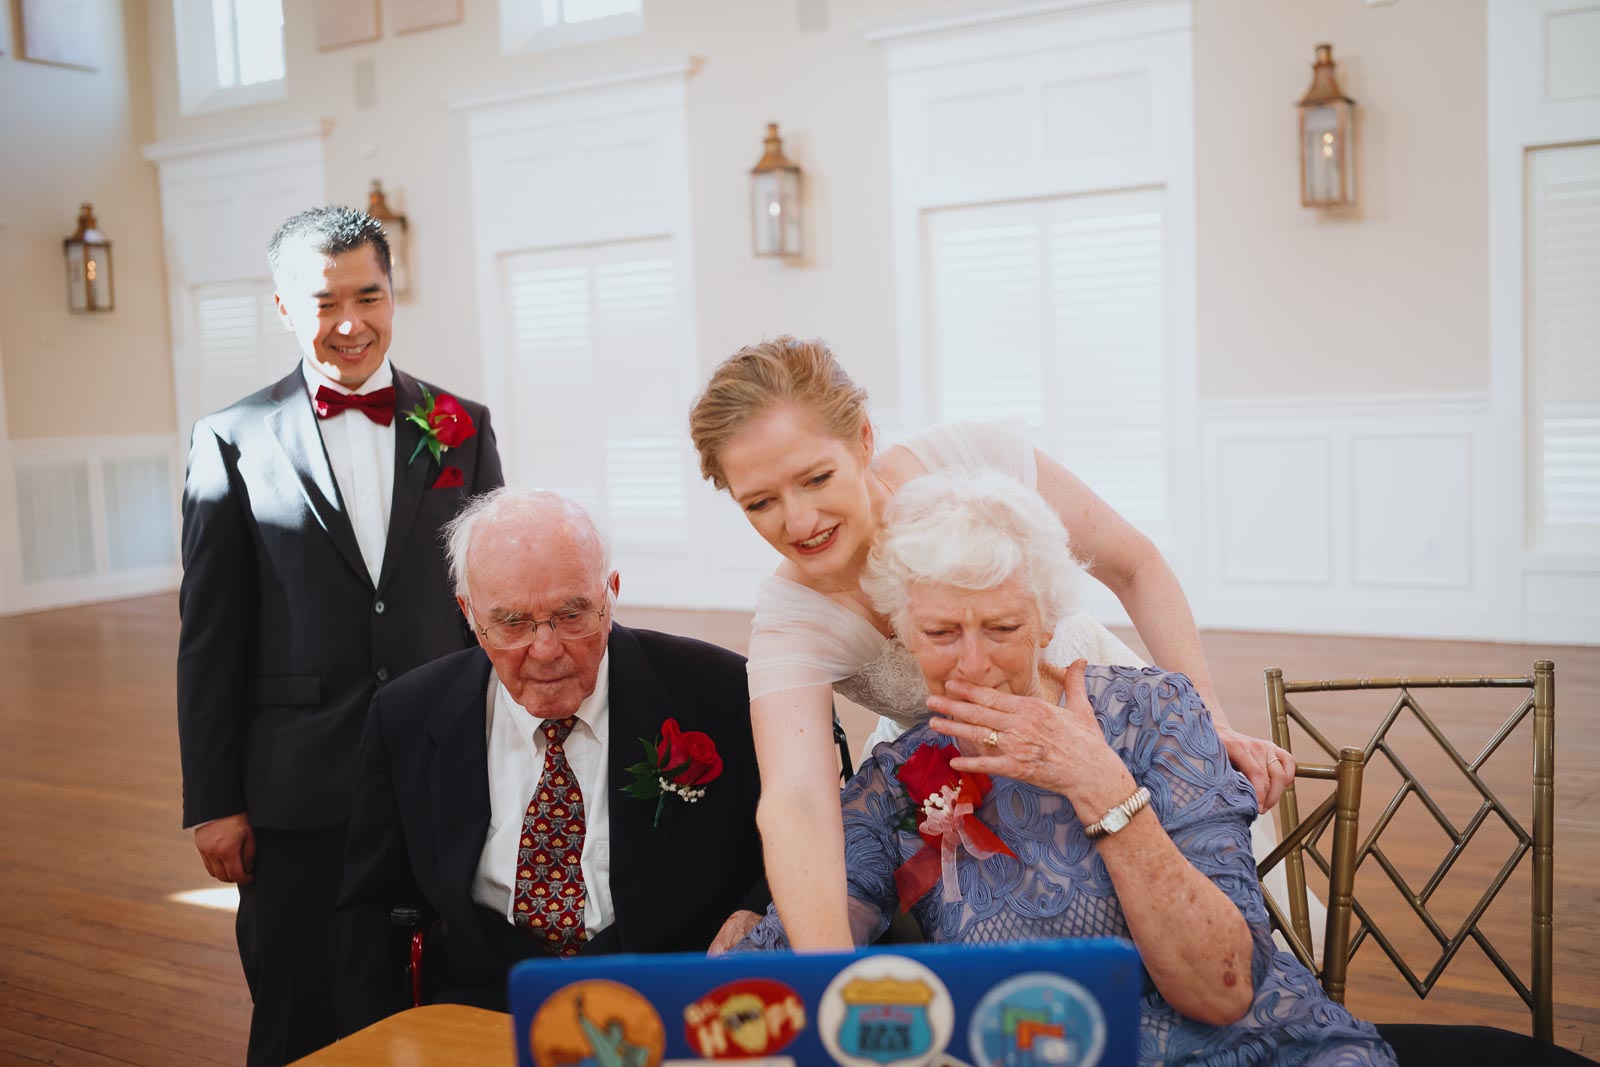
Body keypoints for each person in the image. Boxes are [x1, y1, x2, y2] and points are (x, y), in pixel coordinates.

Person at [735, 469, 1395, 1066]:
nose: (972, 664)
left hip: (1257, 1049)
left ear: (1048, 619)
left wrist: (1097, 781)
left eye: (1001, 627)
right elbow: (791, 955)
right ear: (906, 632)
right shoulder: (903, 783)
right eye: (941, 633)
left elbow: (1222, 990)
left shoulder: (1154, 711)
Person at [688, 336, 1294, 950]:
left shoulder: (969, 460)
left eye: (816, 478)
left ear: (864, 439)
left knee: (1193, 901)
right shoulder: (790, 619)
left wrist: (1207, 716)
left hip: (1091, 698)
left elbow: (1134, 566)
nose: (799, 523)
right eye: (760, 503)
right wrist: (825, 979)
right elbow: (796, 803)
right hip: (960, 758)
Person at [176, 205, 503, 1065]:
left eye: (370, 295)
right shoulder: (231, 440)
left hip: (442, 766)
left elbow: (494, 601)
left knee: (441, 993)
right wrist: (213, 798)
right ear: (285, 307)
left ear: (394, 293)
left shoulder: (462, 425)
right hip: (296, 786)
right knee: (296, 1001)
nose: (351, 322)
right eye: (324, 302)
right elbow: (209, 636)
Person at [331, 489, 769, 1035]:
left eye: (570, 614)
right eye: (512, 622)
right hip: (484, 1009)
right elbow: (368, 910)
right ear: (469, 614)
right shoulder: (406, 716)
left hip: (672, 1003)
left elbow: (796, 846)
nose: (545, 648)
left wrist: (759, 916)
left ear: (610, 595)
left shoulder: (720, 693)